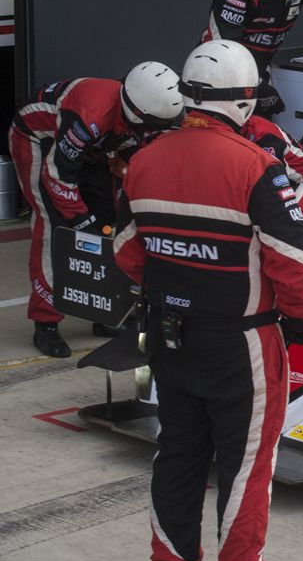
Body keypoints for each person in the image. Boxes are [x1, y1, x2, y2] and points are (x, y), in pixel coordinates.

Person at [114, 39, 303, 561]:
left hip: (170, 338)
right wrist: (298, 317)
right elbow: (296, 263)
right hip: (243, 345)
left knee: (177, 456)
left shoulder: (142, 162)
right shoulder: (258, 167)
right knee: (246, 465)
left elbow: (127, 254)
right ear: (245, 103)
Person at [8, 63, 182, 357]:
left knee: (108, 224)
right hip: (39, 140)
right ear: (137, 113)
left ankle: (104, 311)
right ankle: (45, 323)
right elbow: (57, 176)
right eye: (151, 125)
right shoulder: (89, 114)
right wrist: (80, 219)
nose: (156, 131)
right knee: (55, 227)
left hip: (93, 151)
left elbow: (133, 154)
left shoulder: (147, 110)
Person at [242, 111, 303, 218]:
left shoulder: (262, 136)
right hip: (284, 181)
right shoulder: (232, 128)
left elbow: (271, 182)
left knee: (280, 222)